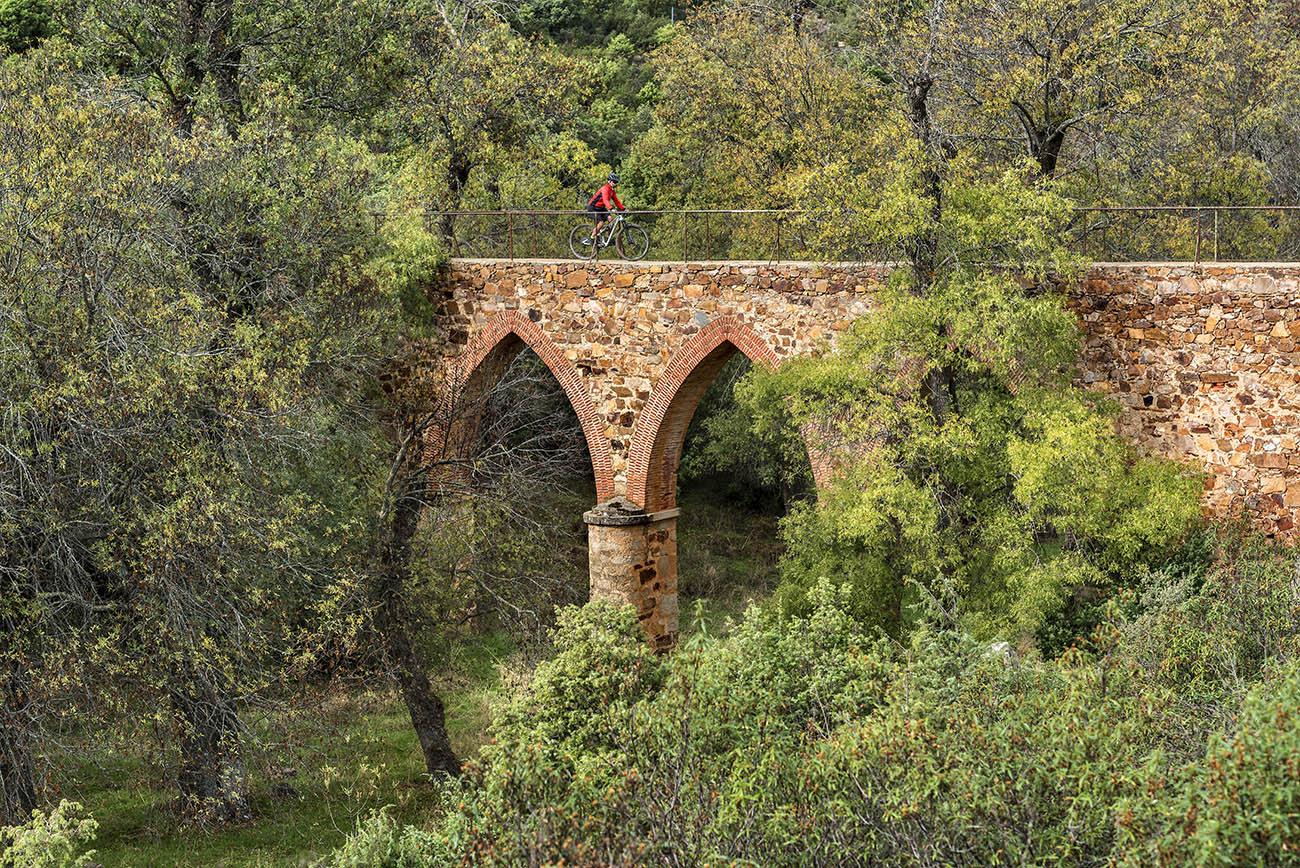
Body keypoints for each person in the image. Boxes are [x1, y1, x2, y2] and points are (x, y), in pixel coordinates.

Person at [586, 172, 625, 242]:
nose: (614, 183)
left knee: (610, 219)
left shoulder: (612, 191)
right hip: (592, 207)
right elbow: (605, 200)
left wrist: (623, 209)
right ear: (609, 181)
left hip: (601, 208)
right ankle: (591, 238)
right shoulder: (605, 188)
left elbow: (616, 201)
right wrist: (611, 209)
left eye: (616, 182)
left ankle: (608, 237)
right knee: (601, 222)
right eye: (613, 181)